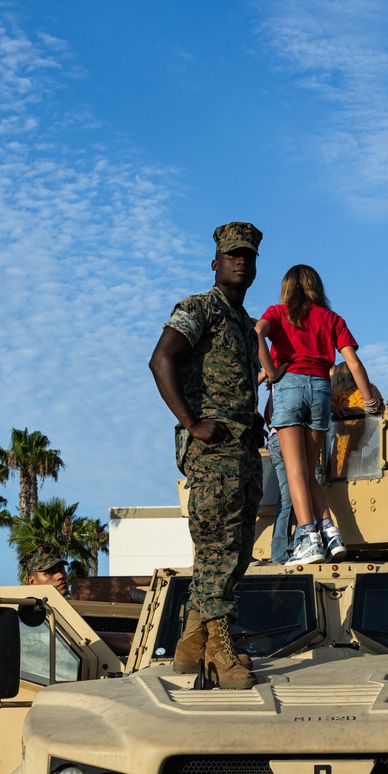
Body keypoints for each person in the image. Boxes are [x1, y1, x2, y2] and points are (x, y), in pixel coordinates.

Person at [148, 221, 264, 690]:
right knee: (217, 545)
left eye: (249, 255)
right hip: (212, 451)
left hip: (242, 448)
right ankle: (219, 650)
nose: (241, 260)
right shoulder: (199, 308)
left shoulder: (246, 324)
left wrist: (251, 421)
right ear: (215, 262)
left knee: (235, 551)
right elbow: (161, 360)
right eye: (233, 254)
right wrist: (192, 423)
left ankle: (190, 640)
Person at [255, 265, 381, 568]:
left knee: (296, 471)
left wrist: (271, 372)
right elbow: (353, 362)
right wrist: (370, 401)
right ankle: (331, 533)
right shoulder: (332, 319)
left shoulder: (277, 312)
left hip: (290, 387)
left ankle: (308, 538)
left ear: (287, 287)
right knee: (309, 471)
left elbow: (255, 333)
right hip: (322, 390)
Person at [262, 386, 294, 565]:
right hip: (291, 437)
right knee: (311, 488)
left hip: (275, 439)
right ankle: (299, 544)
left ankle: (280, 552)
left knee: (287, 498)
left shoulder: (275, 381)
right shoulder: (297, 375)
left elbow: (268, 414)